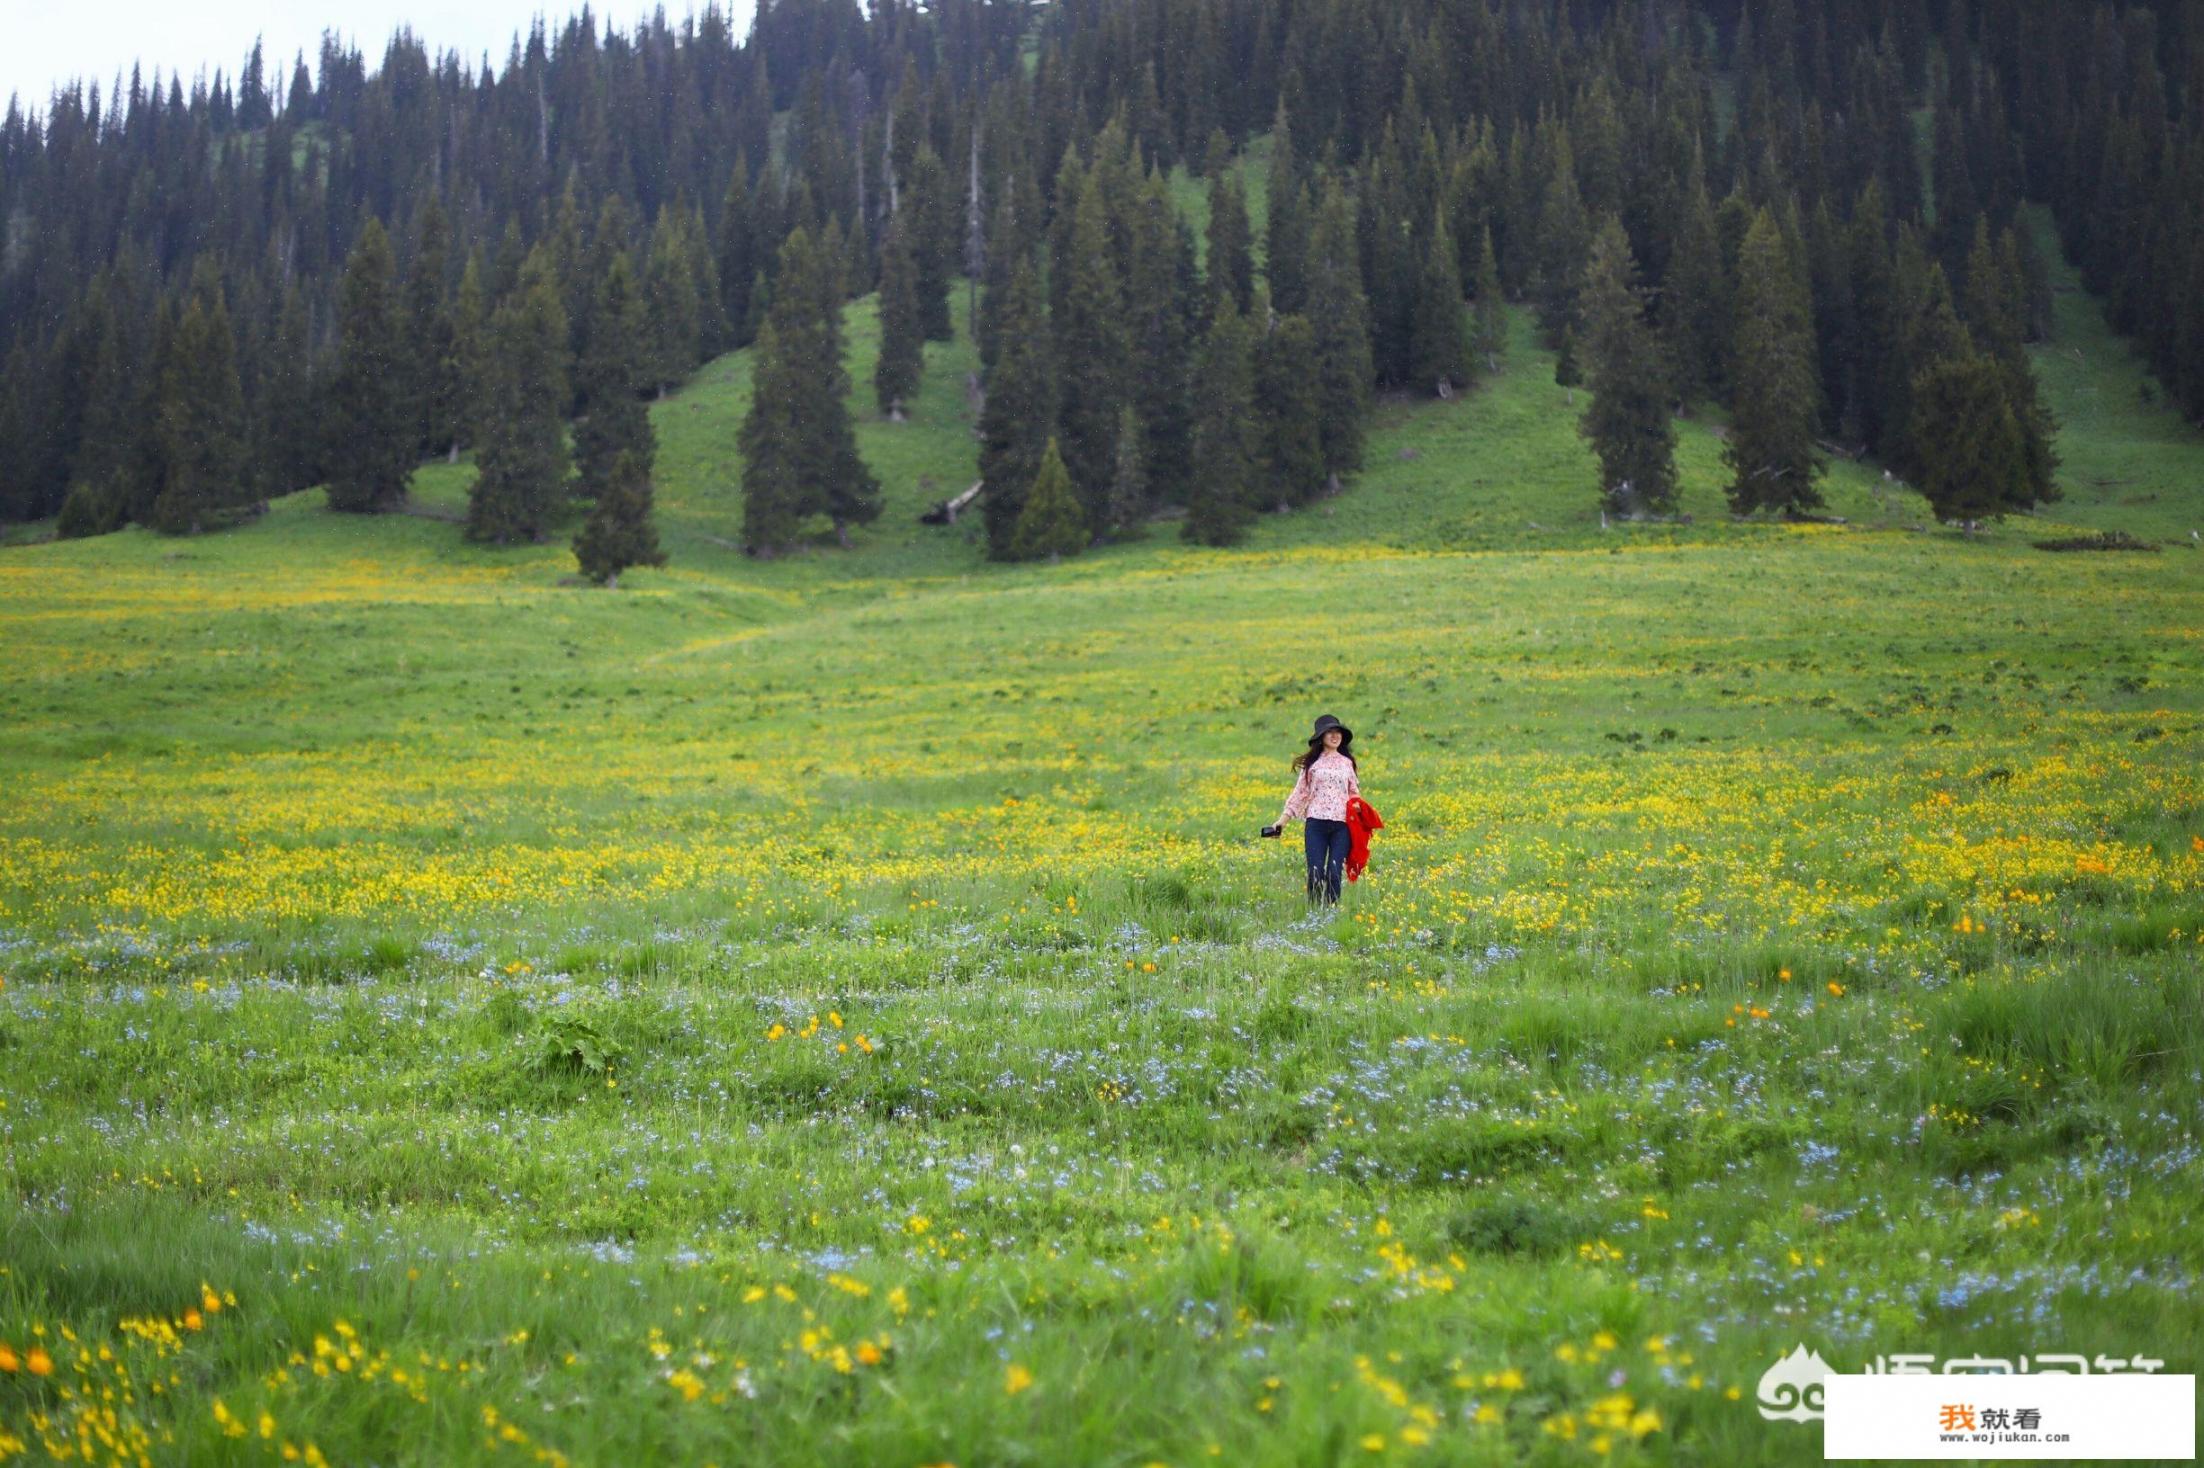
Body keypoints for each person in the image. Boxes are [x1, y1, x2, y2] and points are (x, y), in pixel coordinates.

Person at [1261, 713, 1361, 904]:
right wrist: (1281, 821)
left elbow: (1354, 791)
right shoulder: (1312, 764)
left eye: (1337, 732)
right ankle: (1314, 915)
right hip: (1316, 824)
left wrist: (1357, 806)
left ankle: (1331, 914)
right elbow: (1299, 794)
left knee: (1333, 871)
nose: (1335, 736)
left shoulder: (1347, 763)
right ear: (1321, 737)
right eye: (1329, 732)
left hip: (1342, 826)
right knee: (1315, 871)